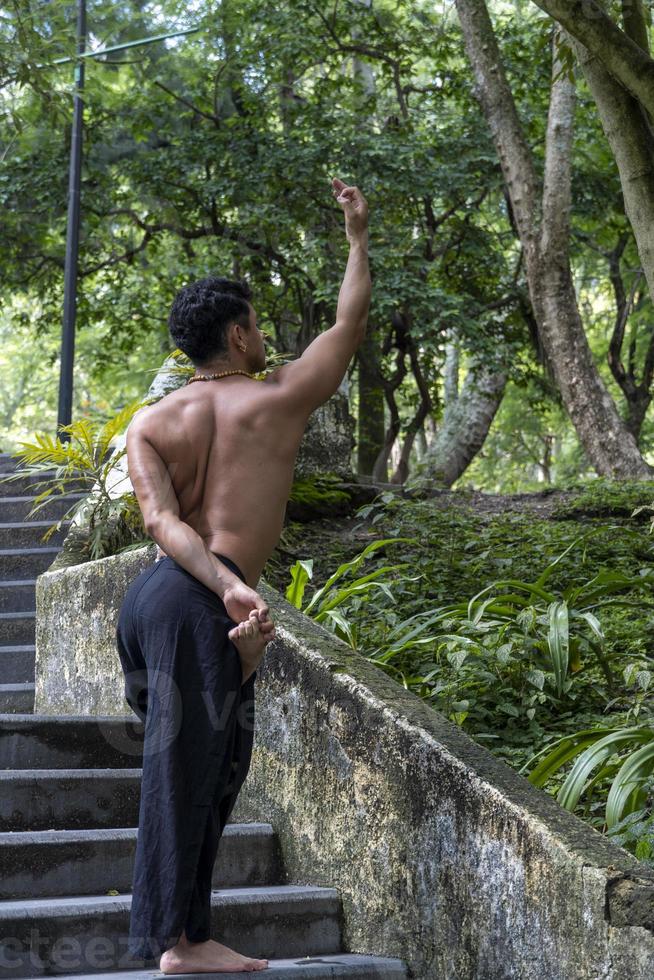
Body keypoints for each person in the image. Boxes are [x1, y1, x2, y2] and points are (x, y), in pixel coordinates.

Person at [115, 177, 370, 974]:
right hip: (205, 602)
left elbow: (161, 524)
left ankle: (188, 934)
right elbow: (349, 322)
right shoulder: (278, 400)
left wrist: (224, 605)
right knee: (188, 772)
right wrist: (357, 238)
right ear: (235, 337)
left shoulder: (150, 423)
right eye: (257, 326)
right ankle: (177, 945)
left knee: (213, 765)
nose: (265, 338)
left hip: (156, 603)